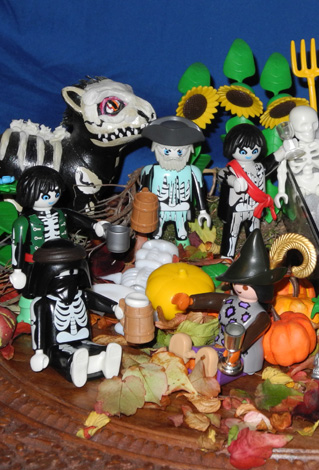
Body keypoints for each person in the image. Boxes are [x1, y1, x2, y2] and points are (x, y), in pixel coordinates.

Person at [173, 229, 285, 375]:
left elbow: (251, 335)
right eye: (236, 282)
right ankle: (184, 355)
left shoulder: (260, 316)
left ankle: (199, 364)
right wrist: (191, 300)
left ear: (261, 289)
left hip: (241, 356)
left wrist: (237, 349)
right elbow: (212, 299)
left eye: (245, 286)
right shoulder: (230, 301)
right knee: (203, 352)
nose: (238, 288)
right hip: (219, 346)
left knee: (210, 359)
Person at [10, 166, 108, 323]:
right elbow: (18, 246)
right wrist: (17, 270)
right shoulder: (23, 221)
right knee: (31, 290)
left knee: (70, 285)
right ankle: (28, 314)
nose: (52, 198)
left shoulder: (61, 214)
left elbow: (78, 218)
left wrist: (94, 225)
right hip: (35, 264)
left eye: (56, 193)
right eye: (46, 195)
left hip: (65, 261)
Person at [27, 239, 123, 387]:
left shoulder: (82, 296)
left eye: (73, 273)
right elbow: (38, 327)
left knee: (97, 349)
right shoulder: (43, 303)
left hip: (84, 340)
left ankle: (105, 362)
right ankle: (75, 367)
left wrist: (114, 308)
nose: (69, 278)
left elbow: (97, 301)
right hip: (57, 345)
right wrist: (39, 352)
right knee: (65, 355)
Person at [139, 116, 211, 244]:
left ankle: (183, 250)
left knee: (182, 234)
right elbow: (143, 193)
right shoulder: (149, 170)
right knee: (156, 233)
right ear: (156, 148)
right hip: (158, 209)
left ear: (189, 150)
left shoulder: (192, 171)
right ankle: (152, 249)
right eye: (167, 151)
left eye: (179, 152)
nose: (173, 156)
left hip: (182, 209)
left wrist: (202, 211)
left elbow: (198, 191)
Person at [218, 123, 275, 259]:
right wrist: (234, 182)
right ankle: (227, 256)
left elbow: (271, 162)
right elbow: (223, 174)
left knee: (254, 232)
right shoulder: (231, 169)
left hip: (255, 208)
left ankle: (254, 254)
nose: (249, 155)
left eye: (254, 150)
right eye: (243, 152)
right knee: (231, 233)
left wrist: (284, 150)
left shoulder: (259, 167)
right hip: (236, 210)